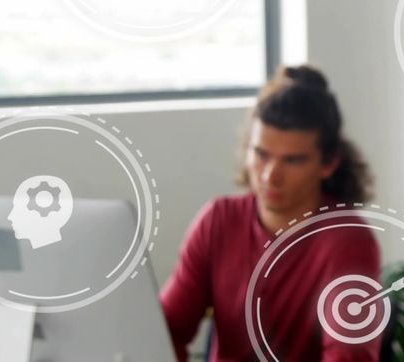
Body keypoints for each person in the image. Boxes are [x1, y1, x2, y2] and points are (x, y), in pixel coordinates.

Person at [161, 65, 381, 361]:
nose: (270, 176)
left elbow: (349, 357)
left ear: (328, 163)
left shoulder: (346, 241)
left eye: (292, 161)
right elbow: (167, 331)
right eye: (261, 155)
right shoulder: (217, 220)